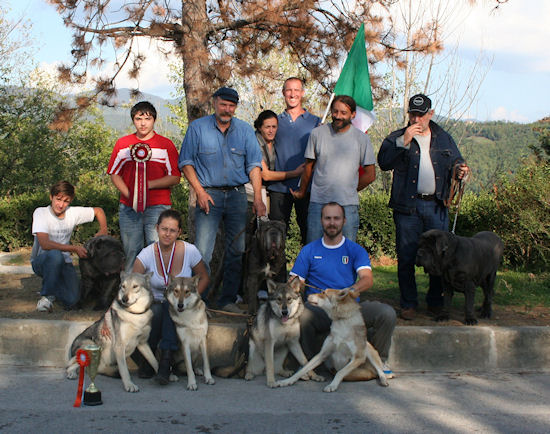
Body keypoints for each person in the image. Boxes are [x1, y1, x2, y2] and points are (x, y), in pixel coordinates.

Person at [378, 93, 470, 320]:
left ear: (431, 114)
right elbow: (383, 162)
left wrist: (460, 170)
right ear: (408, 114)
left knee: (441, 256)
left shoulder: (443, 137)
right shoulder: (397, 137)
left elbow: (456, 160)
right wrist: (403, 142)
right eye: (413, 114)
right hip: (407, 207)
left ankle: (435, 301)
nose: (417, 119)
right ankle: (408, 303)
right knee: (407, 256)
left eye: (421, 114)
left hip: (436, 205)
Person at [178, 87, 266, 313]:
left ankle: (227, 300)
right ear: (215, 102)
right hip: (208, 194)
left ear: (235, 107)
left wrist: (257, 198)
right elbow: (185, 162)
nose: (227, 109)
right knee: (202, 252)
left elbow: (254, 166)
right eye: (223, 104)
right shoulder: (197, 128)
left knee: (237, 249)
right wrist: (199, 191)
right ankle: (198, 300)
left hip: (237, 195)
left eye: (231, 105)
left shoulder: (245, 131)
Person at [290, 202, 396, 377]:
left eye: (336, 218)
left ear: (344, 221)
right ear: (322, 221)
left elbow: (367, 279)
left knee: (386, 313)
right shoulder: (309, 250)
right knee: (303, 315)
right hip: (321, 309)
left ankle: (379, 361)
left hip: (350, 309)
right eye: (328, 218)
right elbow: (295, 282)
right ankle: (311, 366)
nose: (332, 223)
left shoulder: (355, 250)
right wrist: (294, 284)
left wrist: (350, 290)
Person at [132, 209, 209, 383]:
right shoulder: (146, 254)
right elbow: (132, 283)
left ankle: (164, 361)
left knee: (170, 307)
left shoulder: (190, 251)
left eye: (172, 230)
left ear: (179, 232)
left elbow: (204, 277)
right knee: (161, 309)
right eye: (164, 229)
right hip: (155, 303)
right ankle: (155, 358)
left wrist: (194, 299)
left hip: (182, 304)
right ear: (157, 228)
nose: (167, 234)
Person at [107, 101, 181, 272]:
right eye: (138, 118)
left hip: (158, 207)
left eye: (147, 118)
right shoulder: (123, 144)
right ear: (133, 120)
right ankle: (132, 293)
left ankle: (159, 292)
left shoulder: (165, 144)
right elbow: (114, 173)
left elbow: (175, 177)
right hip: (128, 208)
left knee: (158, 250)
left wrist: (147, 185)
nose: (142, 123)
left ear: (154, 120)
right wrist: (129, 194)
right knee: (131, 251)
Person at [291, 95, 376, 243]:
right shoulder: (317, 134)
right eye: (335, 112)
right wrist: (302, 191)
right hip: (318, 203)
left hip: (348, 206)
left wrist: (349, 189)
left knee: (346, 254)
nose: (338, 116)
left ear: (353, 114)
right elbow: (308, 167)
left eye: (343, 113)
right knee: (315, 252)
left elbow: (370, 175)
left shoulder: (362, 139)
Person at [31, 180, 108, 312]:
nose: (61, 205)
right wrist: (74, 248)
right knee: (55, 255)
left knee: (73, 300)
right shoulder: (41, 213)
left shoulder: (72, 213)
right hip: (42, 261)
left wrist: (103, 229)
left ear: (70, 201)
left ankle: (55, 286)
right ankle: (46, 297)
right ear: (51, 197)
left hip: (65, 262)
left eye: (66, 201)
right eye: (58, 199)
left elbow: (98, 211)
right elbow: (45, 244)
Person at [268, 77, 320, 245]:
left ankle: (306, 271)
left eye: (296, 90)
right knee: (276, 237)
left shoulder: (316, 122)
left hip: (308, 187)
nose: (293, 94)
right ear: (283, 93)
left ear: (302, 93)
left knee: (309, 235)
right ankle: (278, 272)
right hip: (279, 188)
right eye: (289, 90)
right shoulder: (275, 122)